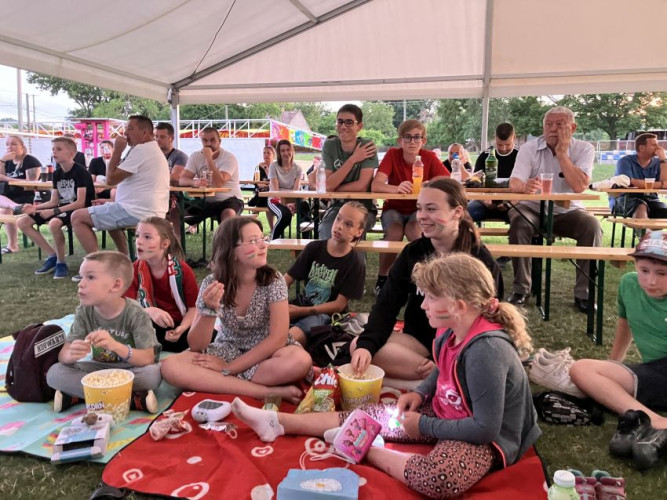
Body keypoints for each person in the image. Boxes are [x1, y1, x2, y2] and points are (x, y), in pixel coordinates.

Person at [231, 253, 539, 500]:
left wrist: (425, 425)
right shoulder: (449, 330)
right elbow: (444, 370)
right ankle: (277, 423)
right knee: (366, 413)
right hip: (452, 410)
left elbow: (485, 429)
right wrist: (420, 392)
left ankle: (364, 448)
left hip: (483, 435)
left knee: (439, 478)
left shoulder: (487, 351)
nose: (422, 304)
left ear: (458, 306)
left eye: (430, 297)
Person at [343, 177, 504, 380]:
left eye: (431, 209)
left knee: (475, 366)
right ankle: (441, 376)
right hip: (419, 342)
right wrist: (367, 346)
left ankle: (444, 375)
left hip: (463, 347)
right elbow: (387, 303)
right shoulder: (414, 252)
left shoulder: (479, 260)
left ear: (457, 212)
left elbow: (492, 318)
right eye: (419, 209)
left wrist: (457, 353)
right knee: (360, 345)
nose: (422, 216)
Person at [160, 217, 312, 404]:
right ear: (231, 252)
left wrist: (229, 369)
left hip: (267, 354)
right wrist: (209, 309)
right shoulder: (211, 283)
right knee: (170, 366)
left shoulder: (274, 281)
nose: (263, 245)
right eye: (253, 241)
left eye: (262, 238)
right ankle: (262, 392)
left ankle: (224, 382)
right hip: (228, 349)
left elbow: (278, 339)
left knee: (300, 361)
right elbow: (197, 346)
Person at [507, 106, 602, 312]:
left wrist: (561, 154)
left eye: (559, 125)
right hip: (532, 209)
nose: (553, 129)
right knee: (518, 222)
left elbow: (579, 186)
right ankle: (521, 290)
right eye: (549, 125)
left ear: (573, 128)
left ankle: (583, 294)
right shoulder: (529, 148)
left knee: (592, 226)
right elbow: (514, 183)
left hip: (568, 211)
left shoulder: (584, 149)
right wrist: (524, 186)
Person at [570, 231, 667, 433]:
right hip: (655, 372)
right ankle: (652, 419)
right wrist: (614, 364)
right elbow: (626, 323)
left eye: (662, 273)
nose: (651, 281)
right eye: (644, 270)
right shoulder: (629, 284)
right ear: (635, 265)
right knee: (581, 369)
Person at [46, 251, 162, 414]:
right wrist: (72, 354)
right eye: (81, 277)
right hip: (98, 369)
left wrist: (115, 346)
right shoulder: (84, 311)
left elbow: (148, 358)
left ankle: (81, 397)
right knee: (55, 373)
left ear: (115, 285)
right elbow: (63, 355)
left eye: (90, 277)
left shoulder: (136, 314)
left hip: (130, 369)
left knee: (153, 375)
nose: (81, 284)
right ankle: (132, 400)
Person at [71, 115, 170, 260]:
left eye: (130, 128)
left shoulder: (142, 150)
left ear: (145, 133)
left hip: (137, 211)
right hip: (144, 208)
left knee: (77, 217)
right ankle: (125, 258)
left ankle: (97, 264)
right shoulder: (148, 149)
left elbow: (110, 179)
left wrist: (117, 150)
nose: (125, 133)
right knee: (109, 218)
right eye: (125, 128)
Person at [371, 119, 448, 294]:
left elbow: (447, 178)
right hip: (394, 208)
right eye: (407, 137)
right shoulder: (392, 154)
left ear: (424, 141)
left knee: (415, 231)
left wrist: (429, 183)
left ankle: (424, 277)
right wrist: (396, 188)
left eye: (416, 137)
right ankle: (383, 277)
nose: (412, 142)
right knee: (394, 232)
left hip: (418, 209)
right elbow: (376, 185)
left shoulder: (429, 157)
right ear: (400, 141)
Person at [285, 201, 367, 346]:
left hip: (327, 316)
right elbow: (286, 280)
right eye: (338, 218)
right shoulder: (314, 248)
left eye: (348, 224)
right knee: (262, 323)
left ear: (358, 232)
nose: (339, 226)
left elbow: (338, 305)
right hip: (303, 303)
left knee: (287, 339)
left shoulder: (356, 262)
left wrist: (299, 311)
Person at [17, 137, 95, 279]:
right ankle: (52, 256)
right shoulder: (57, 174)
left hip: (78, 210)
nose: (54, 152)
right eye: (53, 149)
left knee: (54, 222)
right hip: (62, 208)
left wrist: (54, 211)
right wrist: (35, 208)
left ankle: (61, 262)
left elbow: (80, 203)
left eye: (59, 149)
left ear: (71, 153)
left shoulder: (81, 172)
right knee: (22, 222)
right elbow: (54, 201)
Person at [124, 217, 199, 352]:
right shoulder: (134, 269)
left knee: (206, 337)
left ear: (164, 244)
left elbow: (194, 308)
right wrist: (149, 311)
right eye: (137, 236)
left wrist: (181, 329)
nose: (139, 241)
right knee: (125, 333)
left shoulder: (182, 270)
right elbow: (126, 306)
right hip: (149, 323)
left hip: (181, 323)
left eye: (147, 237)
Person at [318, 104, 379, 239]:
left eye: (349, 122)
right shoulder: (330, 145)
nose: (343, 126)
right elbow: (327, 186)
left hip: (365, 206)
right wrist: (354, 159)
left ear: (359, 126)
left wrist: (333, 188)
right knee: (326, 228)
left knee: (353, 227)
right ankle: (326, 260)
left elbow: (362, 186)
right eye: (340, 121)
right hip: (337, 205)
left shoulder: (367, 146)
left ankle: (356, 261)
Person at [179, 126, 244, 224]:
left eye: (212, 140)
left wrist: (208, 158)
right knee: (176, 210)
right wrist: (194, 182)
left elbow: (218, 183)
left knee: (228, 213)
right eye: (205, 140)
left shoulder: (229, 158)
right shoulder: (195, 156)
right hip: (204, 201)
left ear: (219, 141)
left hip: (229, 199)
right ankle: (177, 238)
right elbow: (182, 180)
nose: (209, 144)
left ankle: (226, 238)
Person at [467, 123, 520, 223]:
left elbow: (527, 184)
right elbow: (475, 182)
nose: (503, 148)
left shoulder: (521, 155)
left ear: (514, 137)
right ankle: (470, 238)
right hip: (485, 201)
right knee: (464, 214)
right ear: (494, 137)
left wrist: (513, 201)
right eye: (500, 144)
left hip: (513, 203)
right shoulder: (485, 156)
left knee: (522, 219)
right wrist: (485, 200)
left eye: (507, 145)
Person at [610, 133, 667, 219]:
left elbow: (665, 184)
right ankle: (642, 231)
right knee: (641, 206)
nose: (658, 148)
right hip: (624, 199)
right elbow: (629, 182)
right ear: (641, 148)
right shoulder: (625, 161)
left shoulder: (658, 163)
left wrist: (663, 160)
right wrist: (660, 184)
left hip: (651, 199)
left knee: (662, 210)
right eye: (654, 145)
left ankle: (653, 232)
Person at [0, 135, 42, 254]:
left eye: (13, 144)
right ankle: (13, 206)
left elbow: (31, 183)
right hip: (10, 197)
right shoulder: (7, 161)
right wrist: (2, 161)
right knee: (5, 207)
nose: (9, 147)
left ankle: (12, 246)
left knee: (5, 211)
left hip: (29, 196)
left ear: (22, 147)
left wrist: (7, 179)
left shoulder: (30, 160)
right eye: (7, 144)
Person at [155, 122, 189, 242]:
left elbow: (175, 178)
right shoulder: (152, 156)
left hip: (174, 195)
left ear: (171, 138)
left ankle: (177, 241)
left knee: (174, 206)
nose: (158, 140)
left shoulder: (180, 156)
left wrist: (151, 175)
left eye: (162, 137)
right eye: (156, 136)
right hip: (154, 193)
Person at [267, 139, 302, 240]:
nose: (286, 153)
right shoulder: (273, 166)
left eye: (288, 150)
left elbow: (296, 189)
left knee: (306, 209)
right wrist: (285, 203)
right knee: (285, 214)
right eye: (283, 151)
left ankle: (307, 243)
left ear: (292, 151)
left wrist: (292, 202)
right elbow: (275, 190)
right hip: (275, 199)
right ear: (279, 153)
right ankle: (272, 240)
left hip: (292, 198)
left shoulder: (298, 168)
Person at [247, 145, 276, 230]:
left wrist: (266, 169)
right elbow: (256, 182)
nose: (266, 155)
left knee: (268, 203)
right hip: (261, 193)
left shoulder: (275, 167)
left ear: (273, 155)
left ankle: (272, 229)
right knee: (262, 198)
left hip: (272, 194)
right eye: (264, 153)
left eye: (268, 153)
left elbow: (274, 182)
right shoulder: (258, 167)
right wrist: (264, 185)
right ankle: (251, 228)